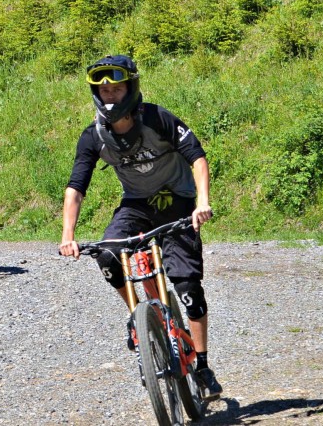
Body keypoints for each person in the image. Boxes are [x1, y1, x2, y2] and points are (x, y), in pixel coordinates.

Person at [58, 55, 223, 399]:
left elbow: (197, 156)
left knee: (188, 285)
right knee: (106, 255)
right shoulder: (93, 136)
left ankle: (203, 365)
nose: (110, 96)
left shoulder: (156, 118)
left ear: (130, 89)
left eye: (116, 89)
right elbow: (76, 187)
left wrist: (202, 202)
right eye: (104, 91)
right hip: (136, 204)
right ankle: (139, 314)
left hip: (176, 199)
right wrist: (68, 237)